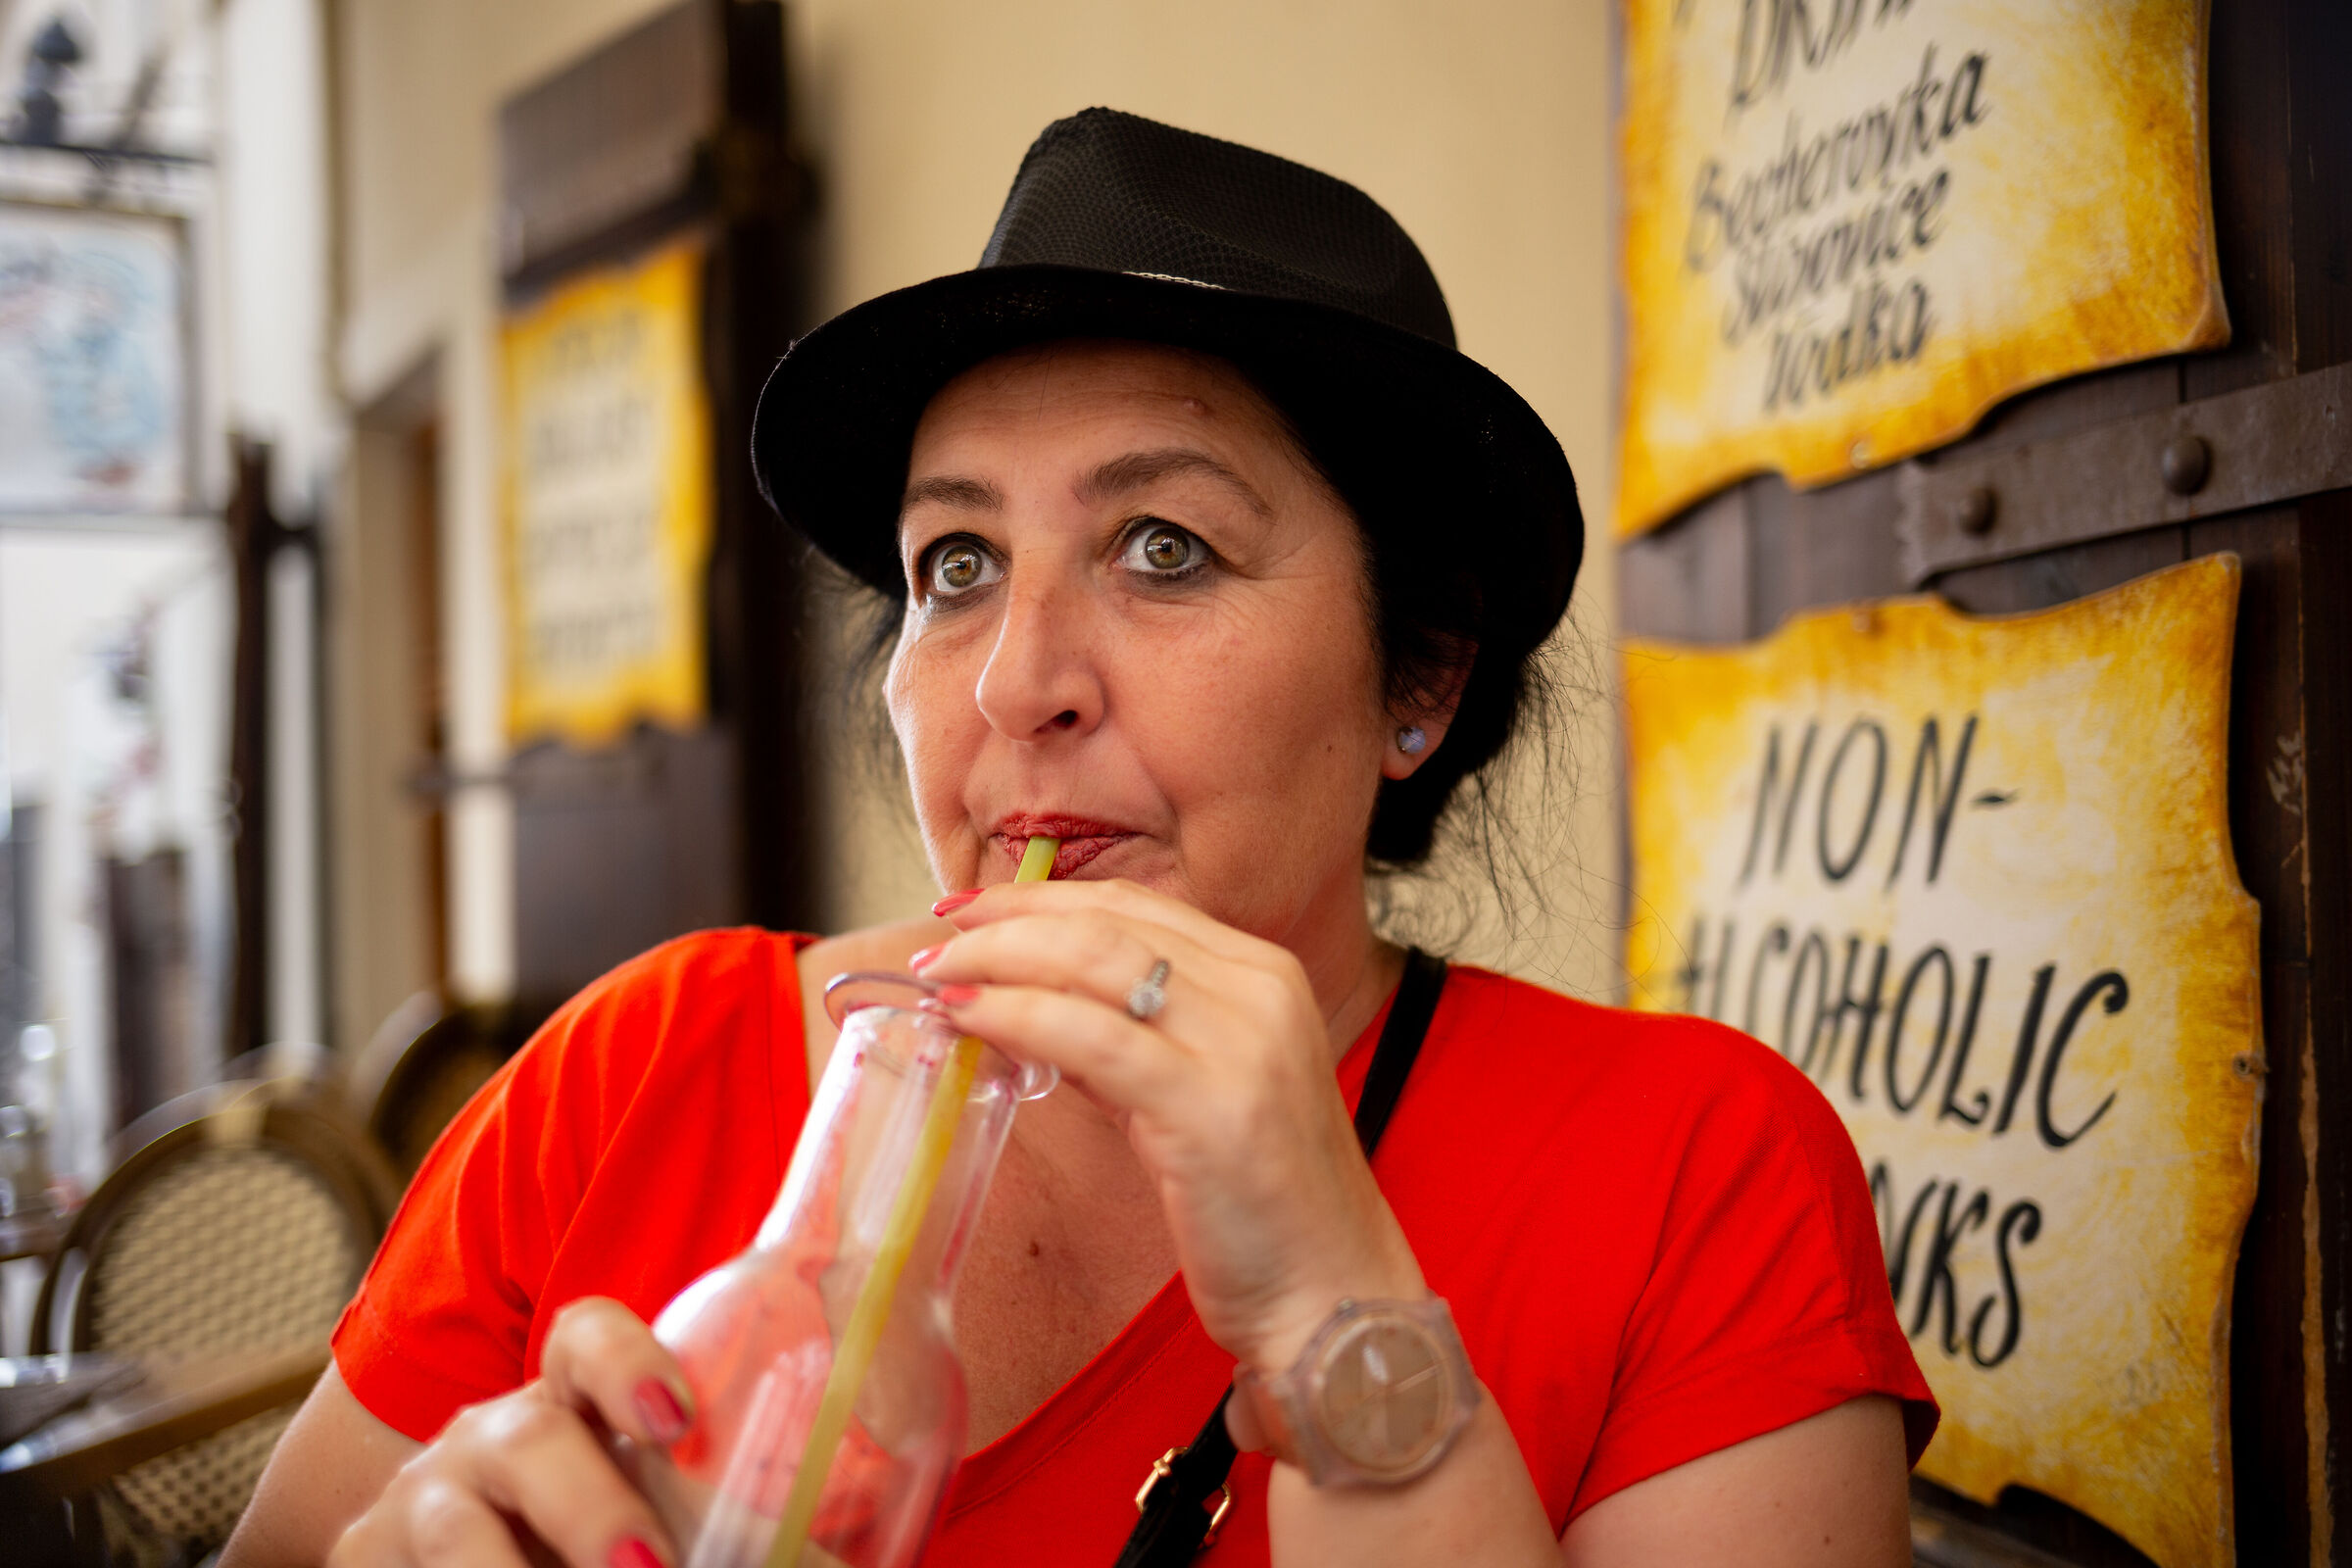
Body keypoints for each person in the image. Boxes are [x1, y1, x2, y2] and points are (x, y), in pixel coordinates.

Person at [225, 109, 1934, 1568]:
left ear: (1419, 676)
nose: (1018, 683)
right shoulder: (636, 1075)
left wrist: (1338, 1316)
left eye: (1166, 547)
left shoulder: (1697, 1175)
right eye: (955, 566)